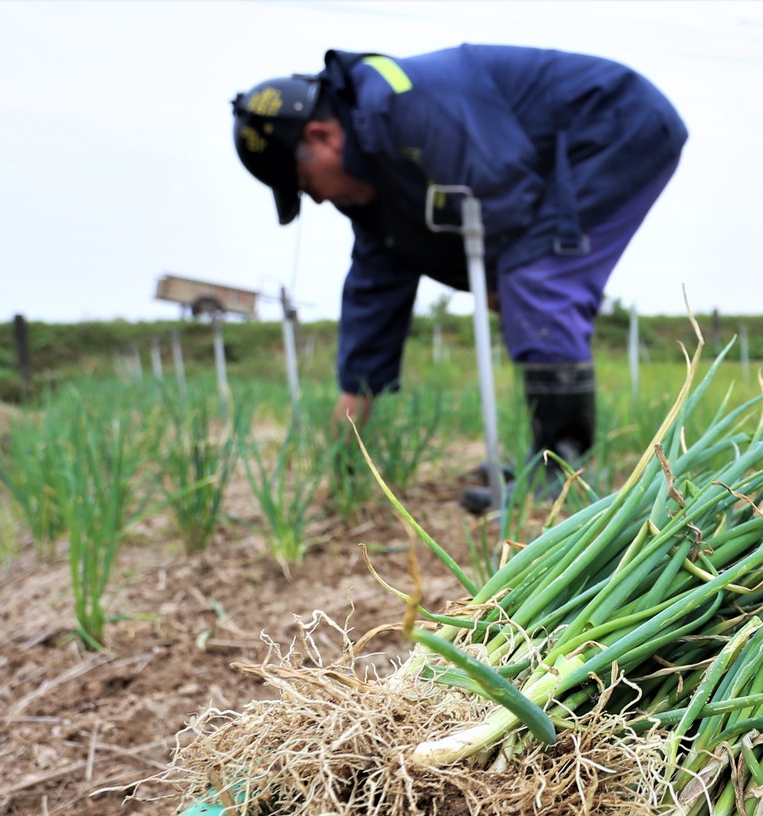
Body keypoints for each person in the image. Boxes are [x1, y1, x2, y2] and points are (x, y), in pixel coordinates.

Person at [231, 46, 686, 510]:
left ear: (323, 136)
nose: (318, 200)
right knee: (525, 280)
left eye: (306, 183)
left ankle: (560, 477)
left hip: (616, 125)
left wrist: (501, 287)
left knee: (536, 278)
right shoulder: (374, 182)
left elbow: (504, 186)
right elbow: (374, 297)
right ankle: (546, 463)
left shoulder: (404, 106)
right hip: (554, 156)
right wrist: (343, 449)